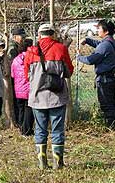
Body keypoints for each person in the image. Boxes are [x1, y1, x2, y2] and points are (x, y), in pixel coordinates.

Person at [24, 24, 74, 170]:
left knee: (40, 129)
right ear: (52, 34)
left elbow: (27, 76)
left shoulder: (30, 52)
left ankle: (42, 164)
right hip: (57, 98)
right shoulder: (61, 48)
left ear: (39, 35)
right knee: (57, 130)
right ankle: (58, 164)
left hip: (37, 98)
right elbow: (69, 71)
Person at [77, 19, 115, 129]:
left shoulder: (105, 45)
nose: (97, 30)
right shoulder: (111, 42)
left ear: (106, 31)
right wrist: (88, 40)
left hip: (105, 79)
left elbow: (91, 60)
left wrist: (78, 57)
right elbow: (99, 44)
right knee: (113, 102)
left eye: (99, 28)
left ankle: (111, 126)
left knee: (106, 104)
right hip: (112, 78)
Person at [11, 38, 34, 136]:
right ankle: (27, 130)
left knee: (21, 110)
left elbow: (12, 74)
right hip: (29, 89)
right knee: (29, 109)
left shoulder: (15, 59)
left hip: (18, 90)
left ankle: (21, 127)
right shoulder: (32, 58)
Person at [7, 28, 27, 125]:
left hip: (18, 78)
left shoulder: (18, 46)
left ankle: (20, 122)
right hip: (15, 77)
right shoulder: (12, 48)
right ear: (15, 37)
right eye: (21, 37)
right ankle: (19, 122)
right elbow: (14, 64)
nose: (23, 39)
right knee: (17, 102)